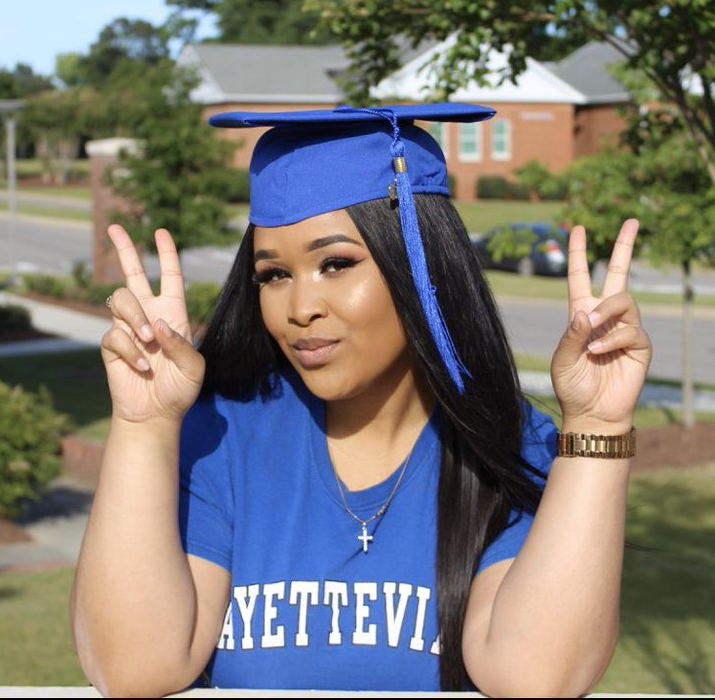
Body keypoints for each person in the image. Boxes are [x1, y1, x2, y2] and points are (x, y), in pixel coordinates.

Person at [70, 103, 652, 697]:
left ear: (421, 266)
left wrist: (599, 425)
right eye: (273, 274)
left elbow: (535, 676)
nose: (300, 309)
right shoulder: (221, 437)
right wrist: (143, 425)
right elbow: (133, 666)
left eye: (335, 264)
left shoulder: (506, 448)